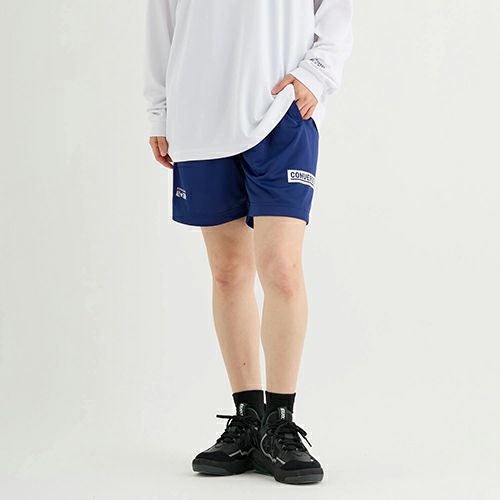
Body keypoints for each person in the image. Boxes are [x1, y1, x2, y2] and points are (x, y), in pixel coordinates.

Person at [144, 0, 353, 485]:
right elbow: (161, 19)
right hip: (200, 114)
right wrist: (159, 110)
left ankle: (280, 424)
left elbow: (336, 9)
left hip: (280, 111)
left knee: (281, 267)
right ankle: (248, 419)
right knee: (227, 272)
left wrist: (317, 73)